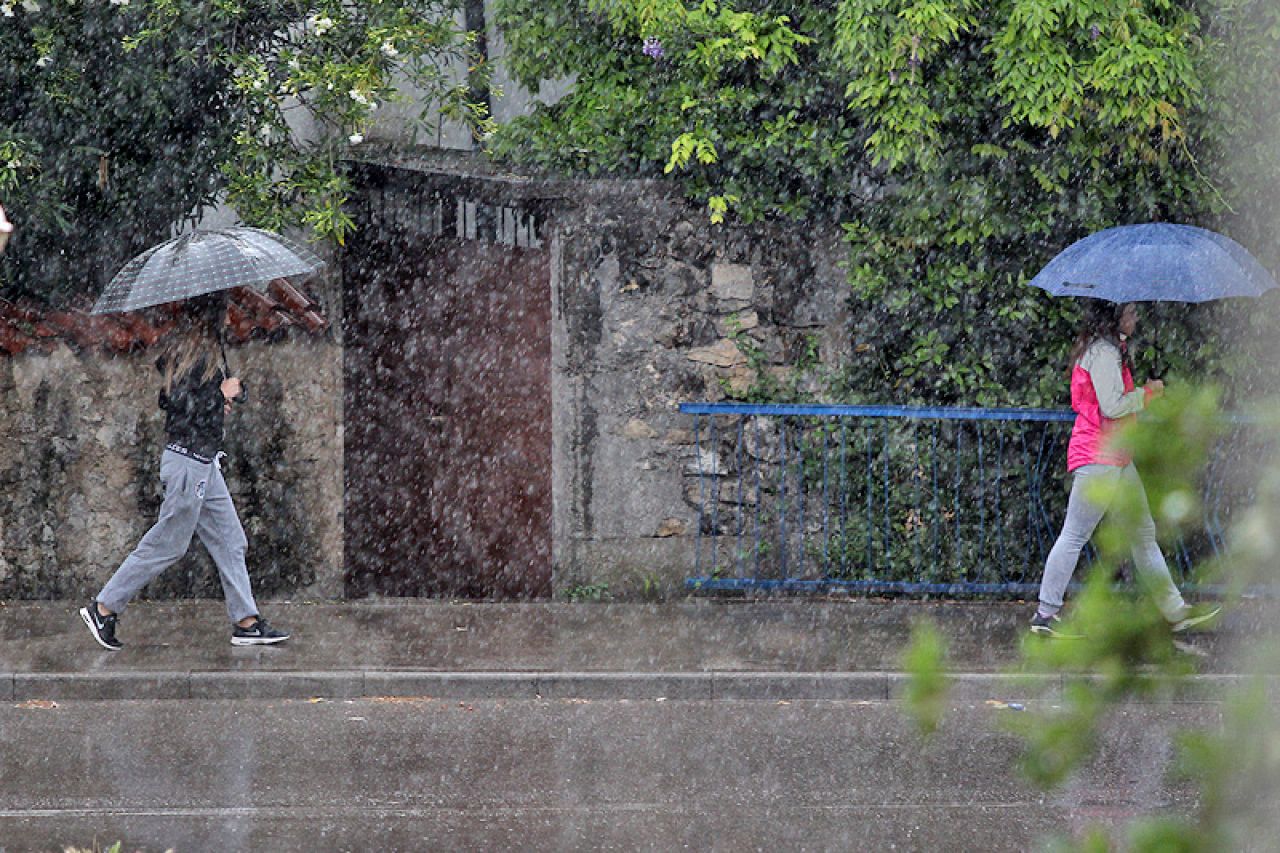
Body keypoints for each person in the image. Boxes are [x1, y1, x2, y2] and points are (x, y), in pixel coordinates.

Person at [80, 292, 290, 650]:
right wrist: (217, 395)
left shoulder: (204, 356)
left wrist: (226, 397)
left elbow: (195, 406)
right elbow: (178, 404)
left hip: (205, 462)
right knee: (168, 544)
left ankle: (246, 622)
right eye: (223, 314)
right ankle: (103, 607)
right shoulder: (189, 358)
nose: (228, 319)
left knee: (230, 540)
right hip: (187, 464)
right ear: (210, 318)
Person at [1030, 299, 1220, 637]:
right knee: (1075, 534)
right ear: (1115, 316)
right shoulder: (1103, 353)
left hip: (1115, 455)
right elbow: (1112, 407)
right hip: (1099, 455)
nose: (1135, 318)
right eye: (1130, 312)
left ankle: (1176, 611)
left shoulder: (1108, 349)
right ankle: (1045, 615)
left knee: (1141, 535)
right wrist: (1148, 393)